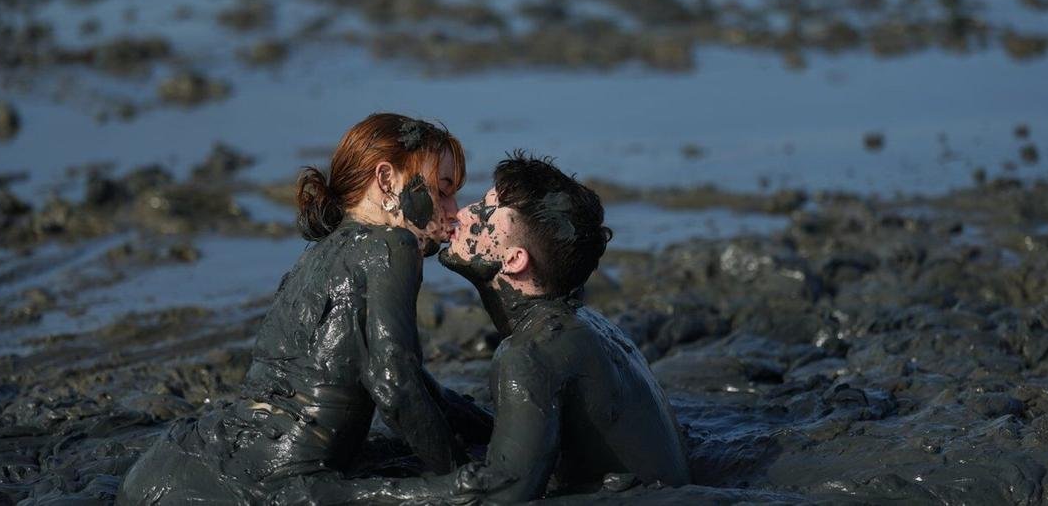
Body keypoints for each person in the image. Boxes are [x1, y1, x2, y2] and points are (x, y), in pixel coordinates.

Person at [274, 151, 691, 504]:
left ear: (514, 260)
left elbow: (504, 494)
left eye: (488, 211)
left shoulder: (528, 354)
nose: (463, 211)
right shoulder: (587, 323)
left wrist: (345, 495)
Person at [117, 113, 492, 505]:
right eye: (442, 191)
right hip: (273, 483)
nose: (455, 211)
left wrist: (487, 428)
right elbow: (395, 386)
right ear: (386, 179)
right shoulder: (391, 246)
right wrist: (461, 478)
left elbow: (413, 383)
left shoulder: (320, 253)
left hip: (170, 467)